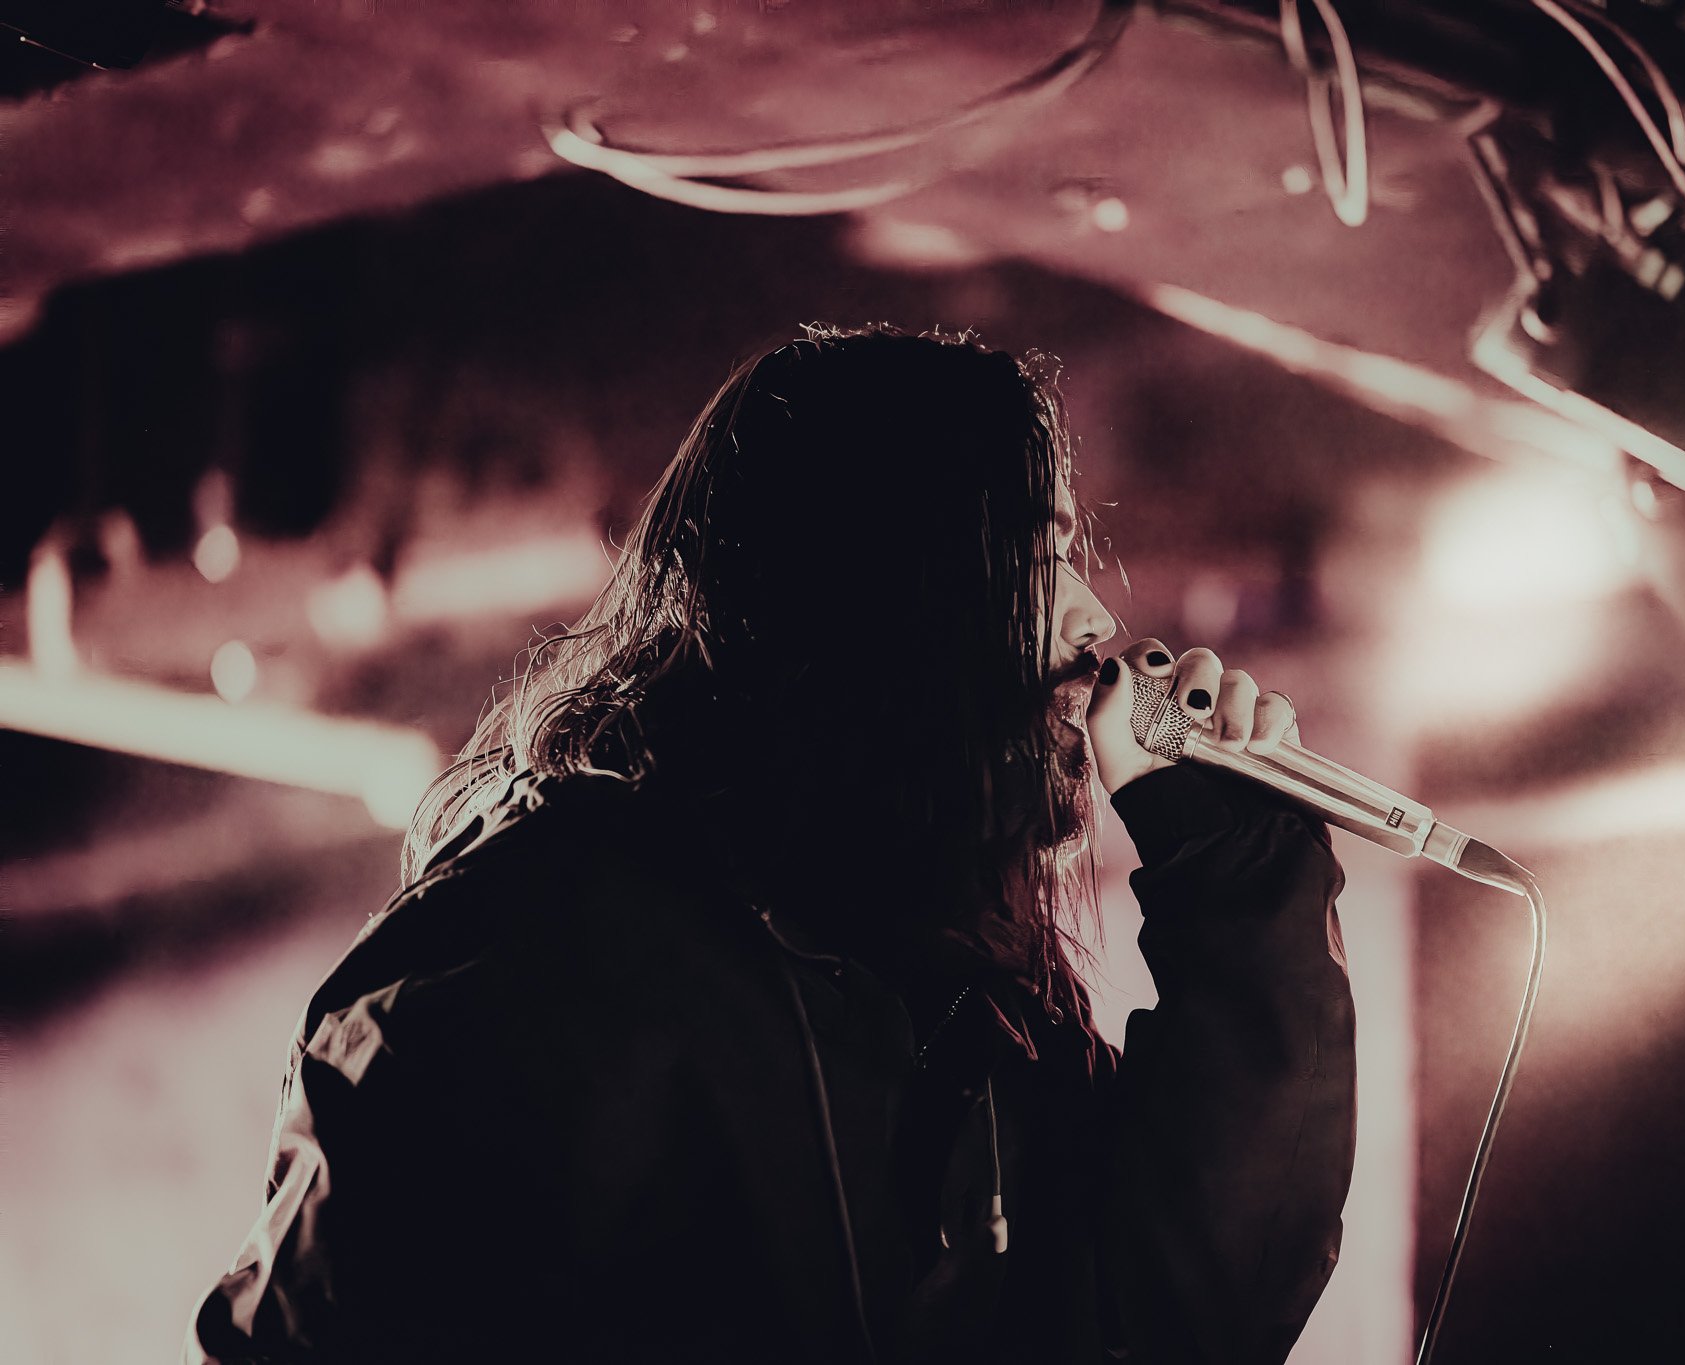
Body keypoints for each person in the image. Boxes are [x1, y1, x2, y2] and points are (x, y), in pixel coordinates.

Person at [187, 324, 1357, 1364]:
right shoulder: (528, 970)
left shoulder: (968, 1006)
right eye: (1040, 555)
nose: (1094, 616)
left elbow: (1165, 1320)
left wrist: (1239, 877)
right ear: (893, 585)